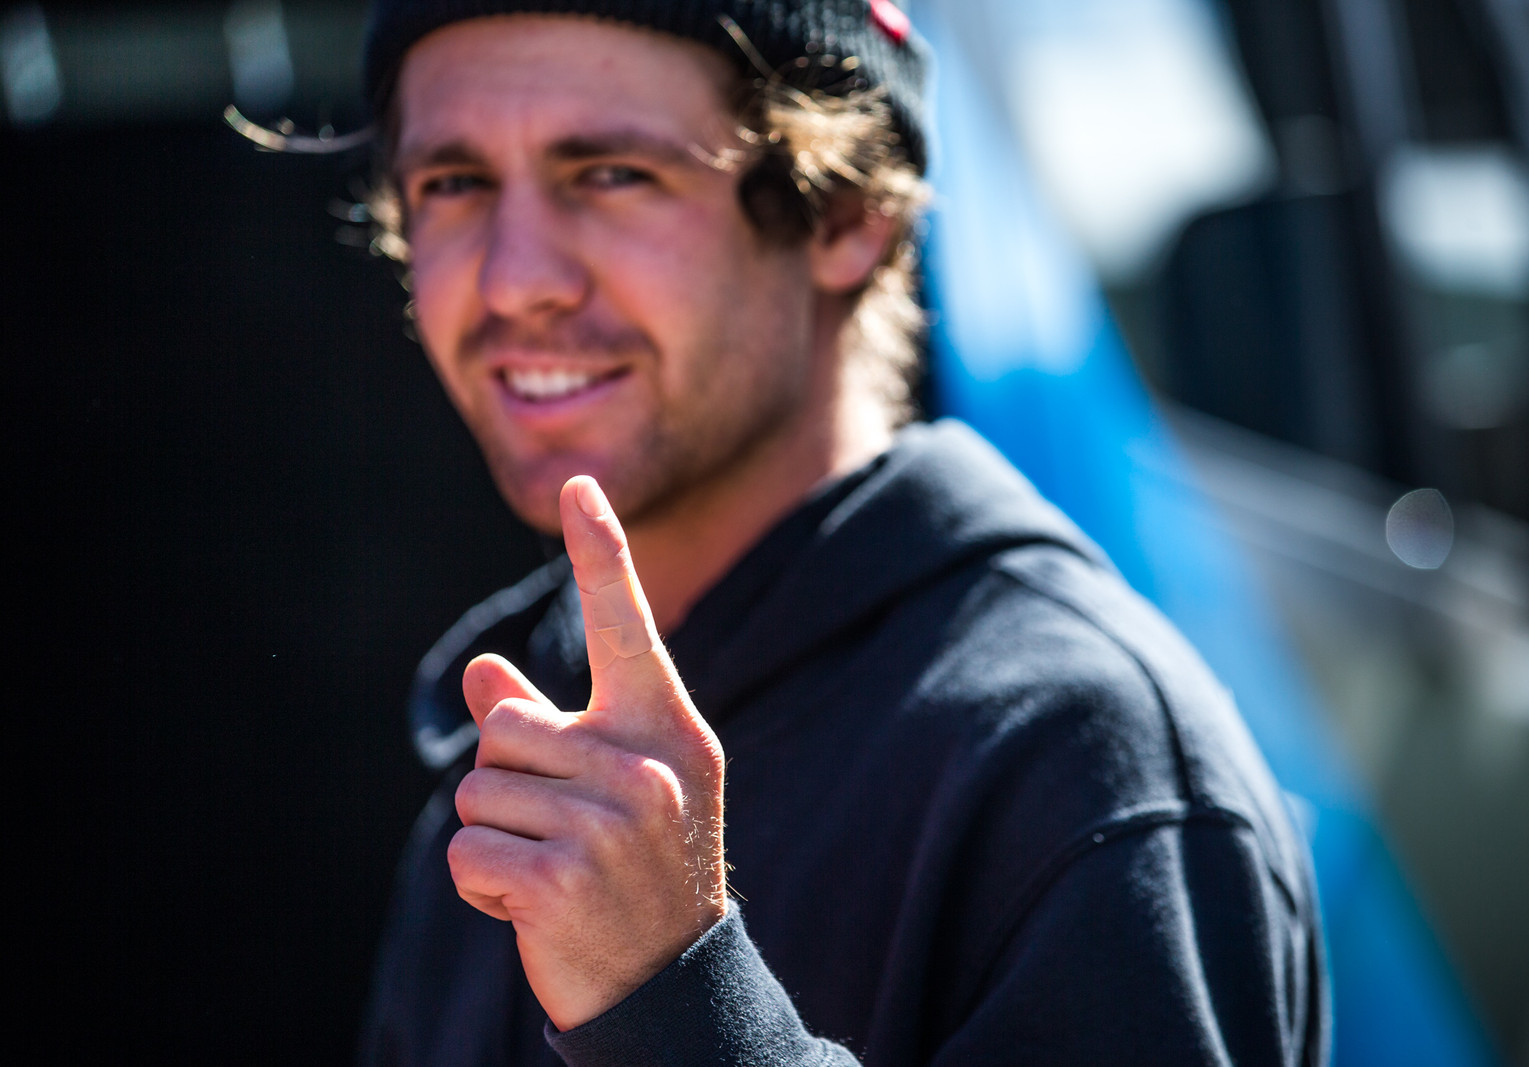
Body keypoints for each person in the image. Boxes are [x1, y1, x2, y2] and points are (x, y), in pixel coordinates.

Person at [355, 2, 1330, 1064]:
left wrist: (669, 1000)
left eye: (612, 174)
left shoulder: (1084, 761)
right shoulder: (518, 734)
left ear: (846, 214)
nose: (514, 278)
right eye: (453, 184)